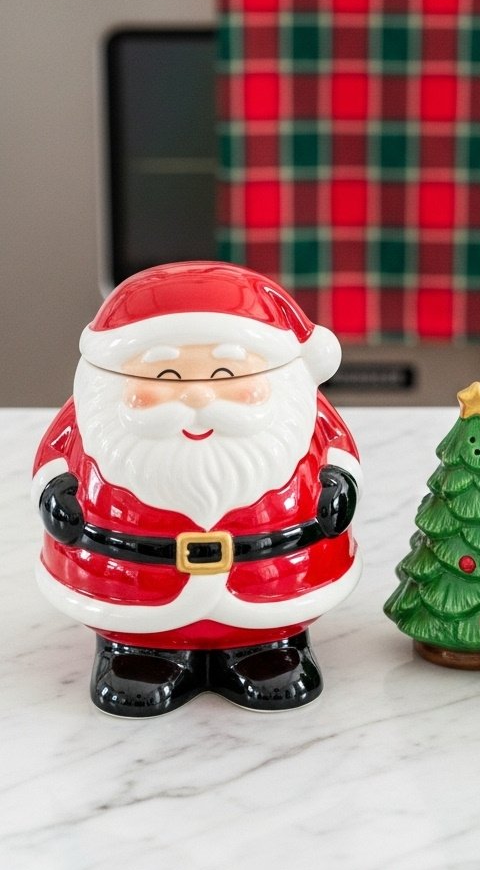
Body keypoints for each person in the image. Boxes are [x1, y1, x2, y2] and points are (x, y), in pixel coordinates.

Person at [33, 261, 362, 717]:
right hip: (133, 586)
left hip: (272, 580)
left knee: (268, 641)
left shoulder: (298, 406)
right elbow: (55, 455)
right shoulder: (94, 414)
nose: (197, 396)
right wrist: (55, 491)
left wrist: (339, 482)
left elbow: (338, 450)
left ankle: (267, 650)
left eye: (226, 376)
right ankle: (139, 655)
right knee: (141, 643)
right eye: (165, 379)